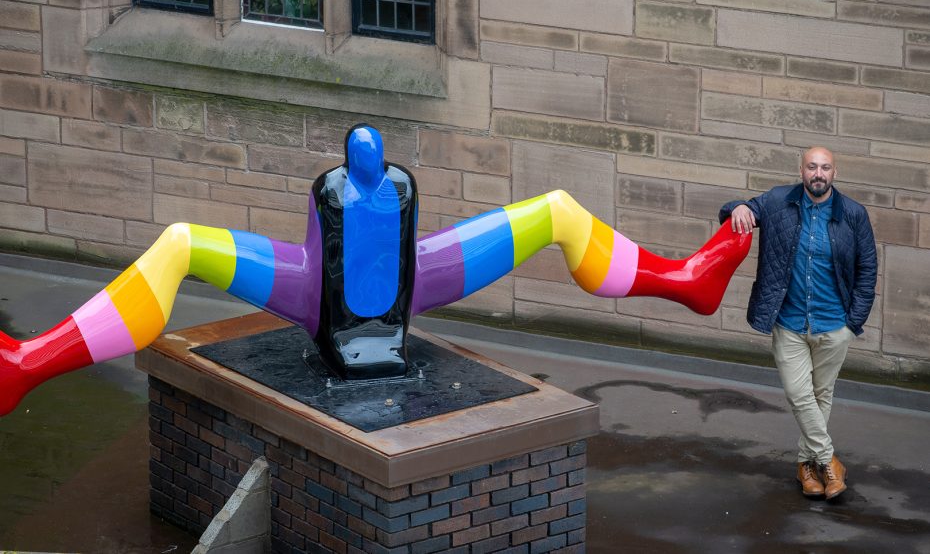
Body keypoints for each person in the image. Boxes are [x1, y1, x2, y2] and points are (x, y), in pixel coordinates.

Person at [0, 124, 754, 415]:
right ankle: (31, 363)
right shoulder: (369, 193)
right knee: (554, 211)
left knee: (178, 245)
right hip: (364, 281)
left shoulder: (374, 194)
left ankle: (683, 279)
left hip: (360, 280)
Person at [720, 147, 877, 500]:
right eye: (812, 167)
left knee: (821, 395)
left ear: (834, 172)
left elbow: (868, 269)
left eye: (825, 167)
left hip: (834, 325)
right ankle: (829, 461)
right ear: (801, 170)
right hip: (789, 323)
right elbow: (739, 208)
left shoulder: (853, 214)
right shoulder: (778, 201)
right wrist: (739, 206)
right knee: (799, 395)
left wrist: (852, 323)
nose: (818, 173)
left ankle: (806, 466)